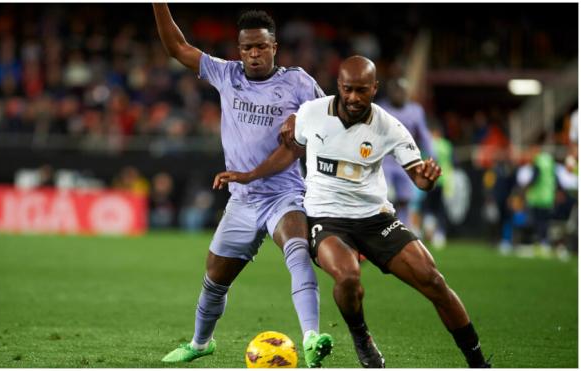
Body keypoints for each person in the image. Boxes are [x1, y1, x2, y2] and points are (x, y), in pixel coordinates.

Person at [214, 56, 491, 368]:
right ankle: (362, 339)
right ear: (339, 87)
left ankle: (478, 362)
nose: (354, 98)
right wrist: (249, 175)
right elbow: (289, 152)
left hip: (375, 219)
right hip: (327, 220)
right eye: (348, 89)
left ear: (374, 88)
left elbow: (418, 176)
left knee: (434, 281)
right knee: (347, 277)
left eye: (362, 90)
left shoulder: (389, 126)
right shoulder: (311, 113)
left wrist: (425, 181)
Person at [152, 4, 333, 367]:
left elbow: (330, 122)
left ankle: (311, 337)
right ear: (239, 50)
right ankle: (201, 343)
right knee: (214, 279)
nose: (254, 54)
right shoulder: (226, 74)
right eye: (248, 48)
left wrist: (304, 118)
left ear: (274, 47)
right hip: (242, 200)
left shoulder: (299, 82)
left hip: (284, 194)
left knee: (297, 251)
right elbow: (176, 48)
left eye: (261, 47)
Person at [377, 78, 435, 233]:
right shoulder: (381, 108)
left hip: (406, 161)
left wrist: (431, 154)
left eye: (401, 91)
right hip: (385, 161)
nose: (398, 94)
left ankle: (403, 230)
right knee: (385, 198)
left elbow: (423, 134)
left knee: (405, 199)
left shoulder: (416, 110)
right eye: (395, 90)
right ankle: (382, 230)